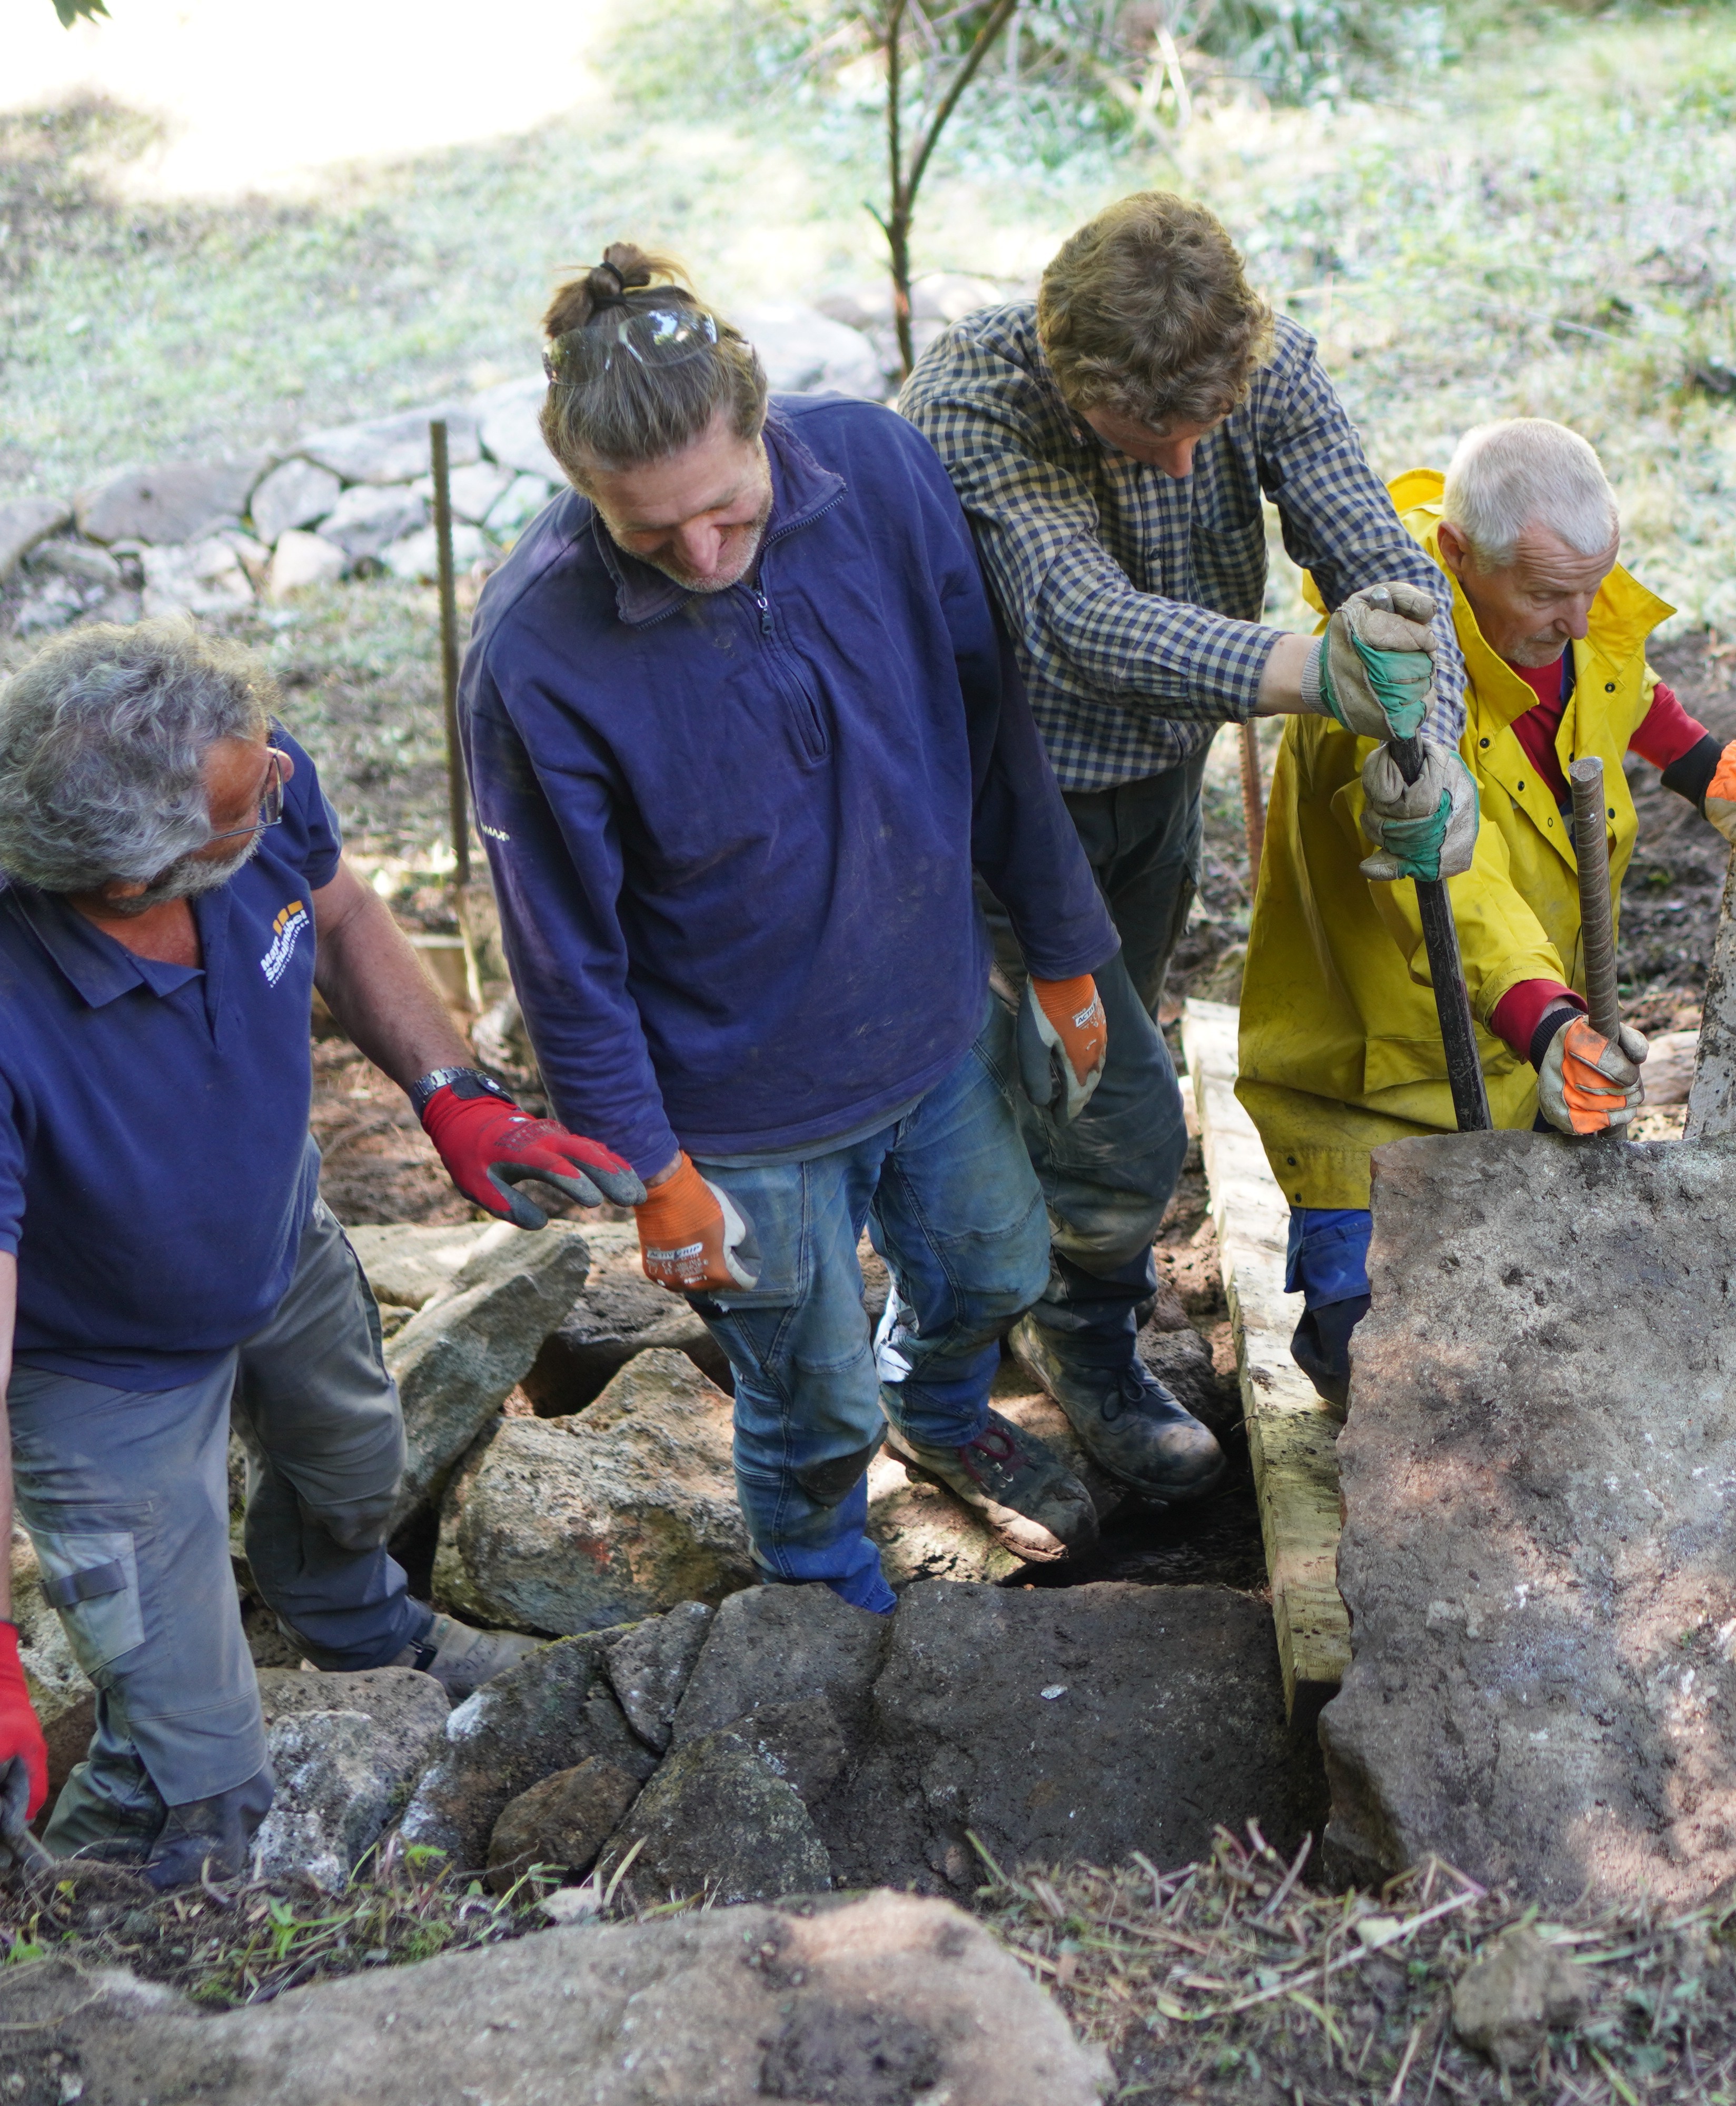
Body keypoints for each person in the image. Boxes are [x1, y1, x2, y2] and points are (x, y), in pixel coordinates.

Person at [464, 246, 1129, 1608]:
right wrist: (651, 1167)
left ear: (762, 419)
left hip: (933, 1021)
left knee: (997, 1263)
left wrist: (1061, 946)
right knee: (805, 1388)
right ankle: (822, 1586)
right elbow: (561, 951)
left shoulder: (880, 474)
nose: (702, 556)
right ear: (581, 490)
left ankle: (938, 1409)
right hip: (740, 1111)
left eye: (727, 507)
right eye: (650, 535)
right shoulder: (533, 651)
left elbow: (991, 726)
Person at [0, 621, 635, 1886]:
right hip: (99, 1366)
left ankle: (365, 1631)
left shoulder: (242, 770)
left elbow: (339, 912)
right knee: (195, 1767)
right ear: (134, 879)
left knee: (356, 1470)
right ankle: (93, 1917)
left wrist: (454, 1089)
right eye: (252, 796)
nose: (284, 777)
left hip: (274, 1238)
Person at [903, 194, 1474, 1477]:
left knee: (1074, 1063)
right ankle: (990, 1358)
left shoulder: (1265, 365)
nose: (1177, 461)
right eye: (1141, 433)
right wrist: (1316, 674)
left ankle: (1040, 1311)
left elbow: (1380, 558)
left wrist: (1427, 733)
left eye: (1200, 430)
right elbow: (1086, 619)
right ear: (1068, 370)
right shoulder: (979, 397)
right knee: (1101, 1110)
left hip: (1156, 784)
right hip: (994, 803)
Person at [1236, 420, 1736, 1400]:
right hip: (1379, 1089)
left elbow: (1610, 676)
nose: (1576, 614)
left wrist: (1707, 766)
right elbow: (1453, 882)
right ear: (1455, 554)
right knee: (1387, 1374)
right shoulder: (1382, 682)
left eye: (1591, 584)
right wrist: (1552, 1020)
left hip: (1533, 1064)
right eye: (1546, 594)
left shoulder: (1567, 603)